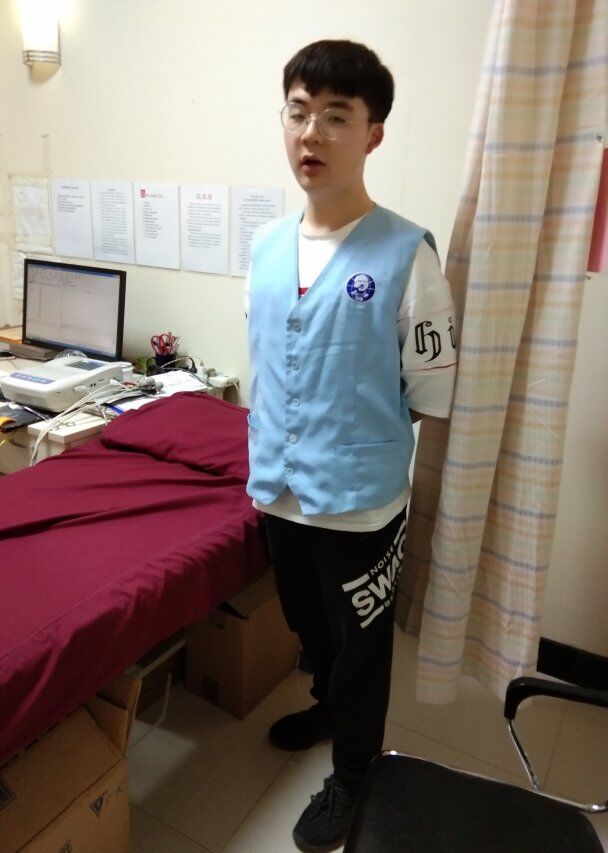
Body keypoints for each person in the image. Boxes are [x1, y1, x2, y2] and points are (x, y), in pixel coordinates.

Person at [246, 39, 457, 851]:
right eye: (299, 112)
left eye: (336, 117)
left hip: (361, 502)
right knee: (310, 626)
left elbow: (429, 389)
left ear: (373, 134)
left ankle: (356, 772)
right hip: (280, 488)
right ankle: (326, 708)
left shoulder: (406, 252)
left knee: (362, 648)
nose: (312, 133)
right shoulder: (266, 248)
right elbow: (269, 364)